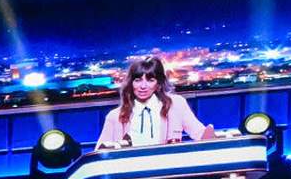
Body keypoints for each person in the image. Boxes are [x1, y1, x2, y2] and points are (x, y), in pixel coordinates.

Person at [93, 55, 222, 151]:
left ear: (158, 84)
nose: (143, 86)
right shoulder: (115, 116)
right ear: (131, 83)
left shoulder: (176, 105)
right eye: (138, 80)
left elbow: (200, 134)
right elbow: (100, 152)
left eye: (150, 80)